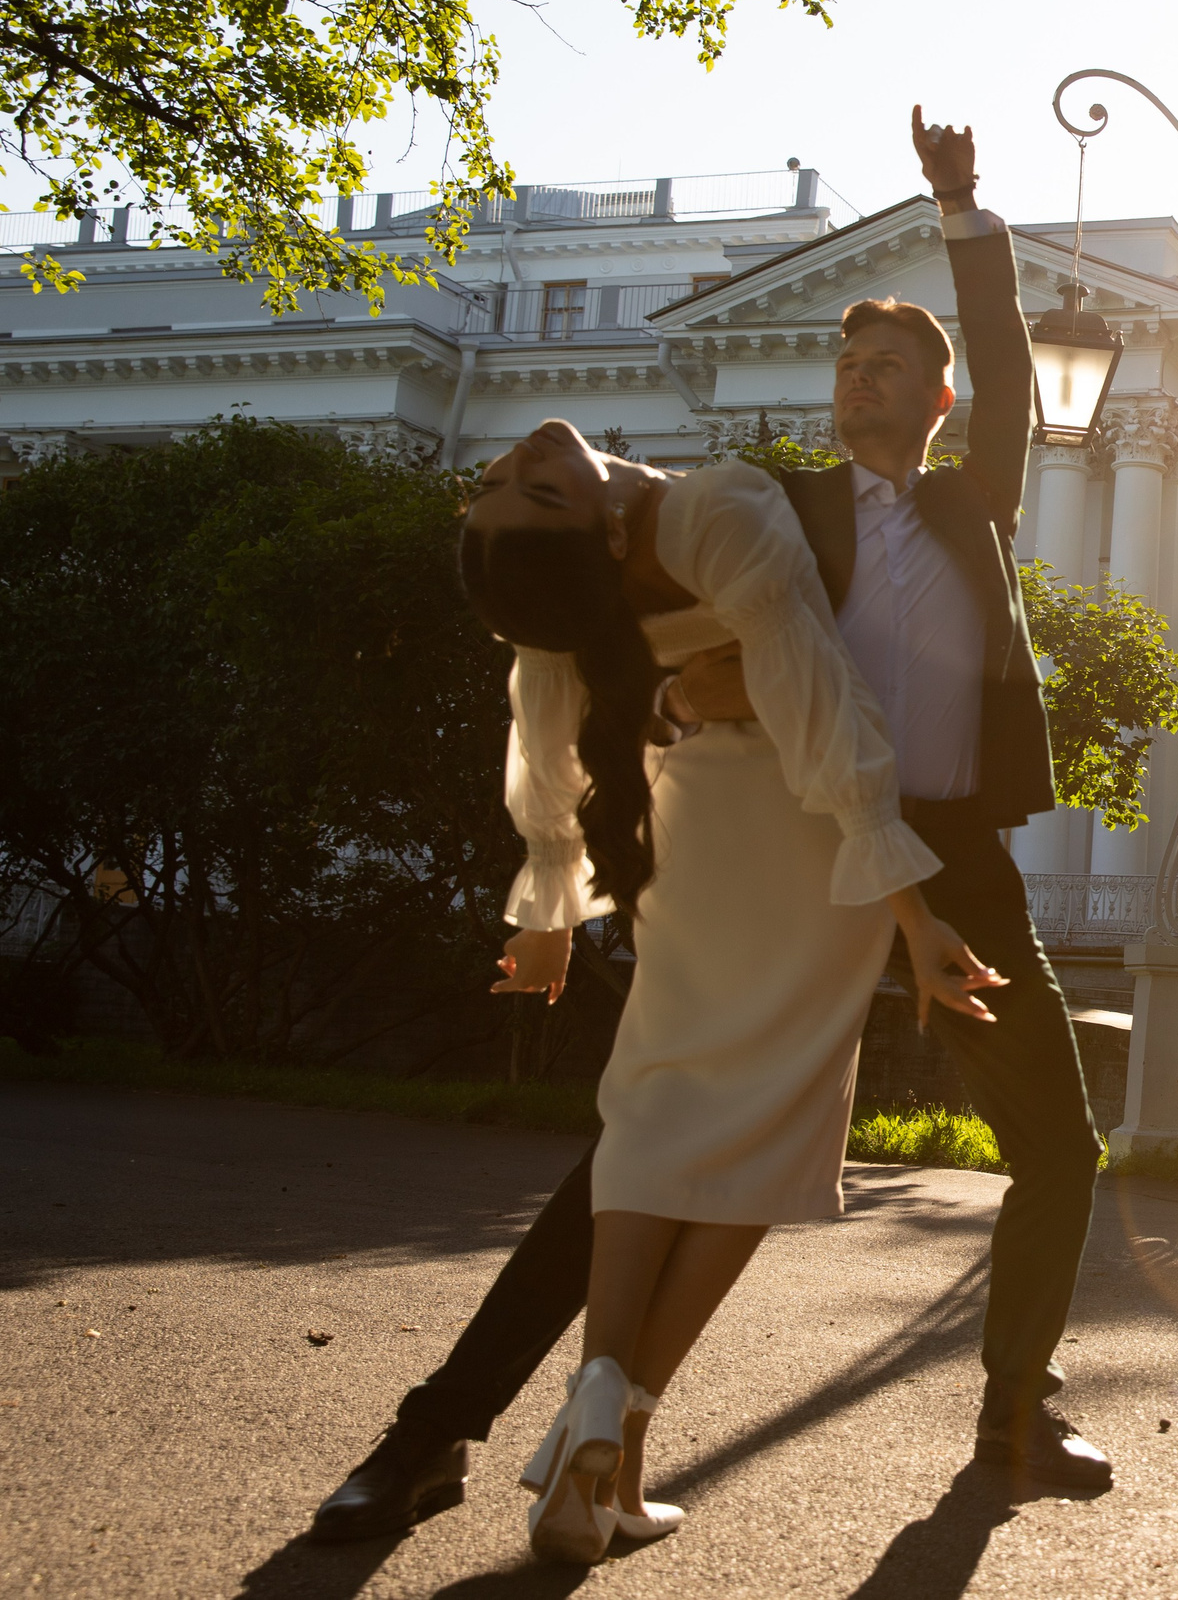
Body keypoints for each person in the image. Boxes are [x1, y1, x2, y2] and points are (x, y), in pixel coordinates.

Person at [308, 109, 1111, 1550]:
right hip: (791, 843)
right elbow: (639, 632)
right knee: (649, 1151)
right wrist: (680, 698)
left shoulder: (969, 506)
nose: (860, 379)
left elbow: (1008, 369)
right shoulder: (778, 513)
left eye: (889, 367)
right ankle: (433, 1436)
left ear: (936, 402)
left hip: (954, 857)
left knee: (1057, 1142)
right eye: (846, 364)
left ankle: (1017, 1413)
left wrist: (965, 213)